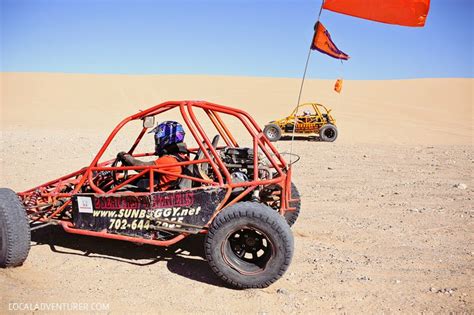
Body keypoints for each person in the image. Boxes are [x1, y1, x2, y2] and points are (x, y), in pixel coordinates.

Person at [117, 121, 188, 191]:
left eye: (158, 140)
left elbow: (142, 167)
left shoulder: (168, 160)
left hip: (160, 196)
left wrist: (125, 157)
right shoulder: (183, 157)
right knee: (131, 179)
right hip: (167, 188)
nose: (157, 143)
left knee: (122, 188)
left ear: (166, 140)